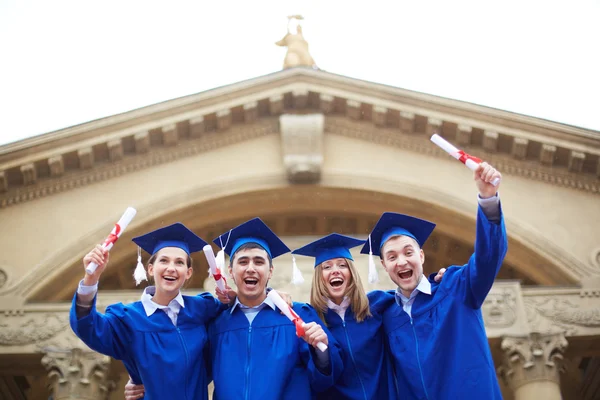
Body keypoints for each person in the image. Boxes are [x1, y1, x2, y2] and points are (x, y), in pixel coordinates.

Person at [363, 162, 507, 399]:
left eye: (408, 252)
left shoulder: (457, 289)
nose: (401, 262)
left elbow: (488, 257)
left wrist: (488, 199)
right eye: (392, 257)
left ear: (421, 255)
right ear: (384, 266)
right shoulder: (385, 315)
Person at [70, 222, 224, 400]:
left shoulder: (202, 309)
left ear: (188, 272)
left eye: (179, 262)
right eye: (164, 260)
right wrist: (91, 279)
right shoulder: (128, 319)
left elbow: (238, 318)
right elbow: (88, 327)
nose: (171, 268)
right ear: (151, 269)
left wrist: (232, 295)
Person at [207, 217, 343, 399]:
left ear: (270, 271)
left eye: (259, 262)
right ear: (230, 270)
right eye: (243, 262)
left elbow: (325, 379)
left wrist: (321, 349)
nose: (251, 268)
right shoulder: (217, 322)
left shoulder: (298, 315)